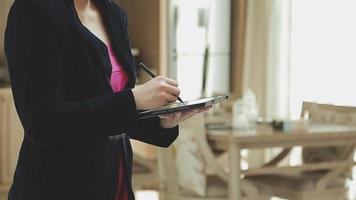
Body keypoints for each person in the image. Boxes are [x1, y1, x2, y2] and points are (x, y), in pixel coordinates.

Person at [4, 0, 209, 199]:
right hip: (58, 185)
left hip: (114, 180)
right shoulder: (32, 10)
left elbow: (113, 115)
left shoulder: (113, 13)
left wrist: (161, 120)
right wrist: (133, 98)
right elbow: (44, 123)